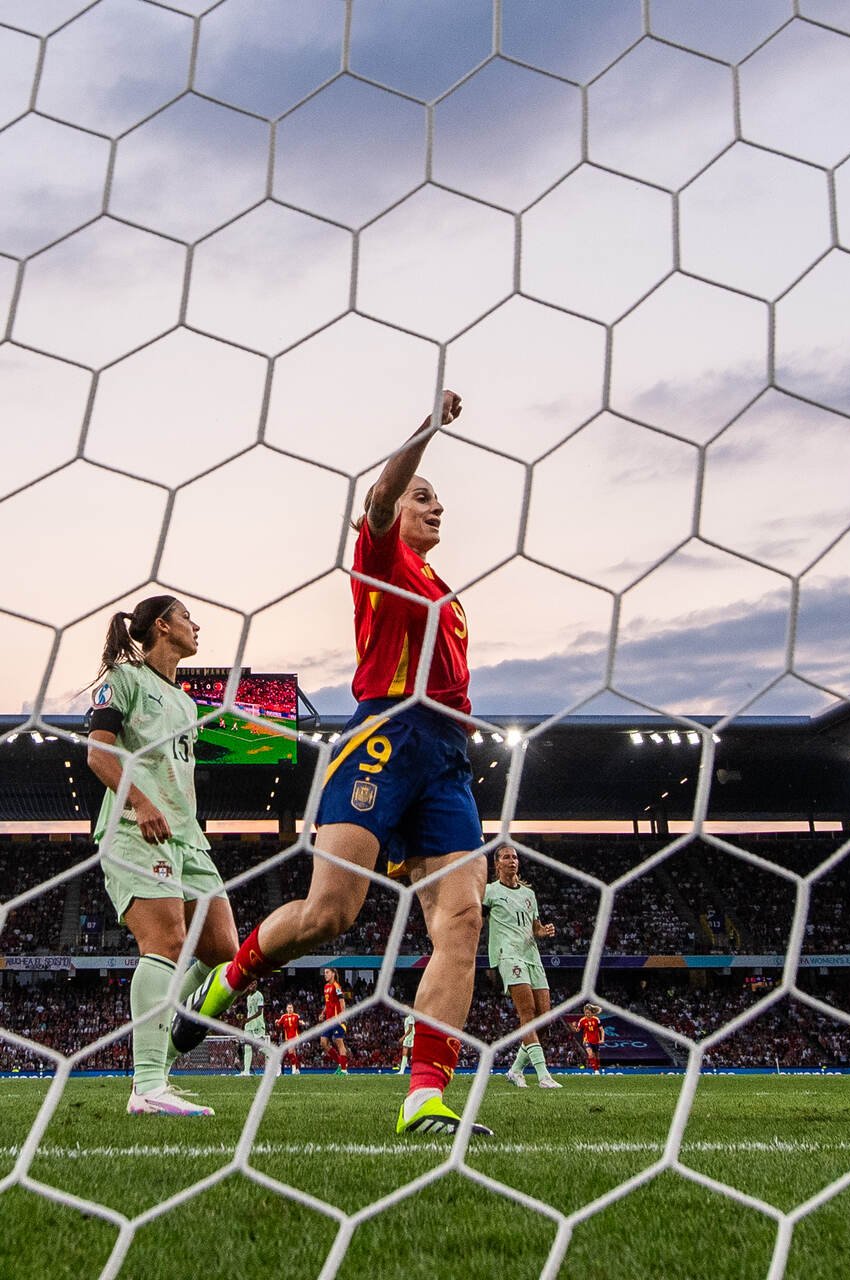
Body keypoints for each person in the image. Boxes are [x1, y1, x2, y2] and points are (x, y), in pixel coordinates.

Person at [173, 390, 493, 1136]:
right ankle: (231, 976)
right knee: (330, 915)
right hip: (383, 737)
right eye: (424, 497)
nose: (436, 505)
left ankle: (425, 1095)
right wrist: (425, 429)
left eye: (439, 499)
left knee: (464, 918)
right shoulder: (379, 558)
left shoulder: (445, 590)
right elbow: (381, 495)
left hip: (447, 753)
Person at [84, 594, 236, 1118]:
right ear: (164, 627)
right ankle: (147, 1085)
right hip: (135, 827)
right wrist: (142, 801)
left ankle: (163, 1050)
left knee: (222, 949)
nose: (197, 626)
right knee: (167, 940)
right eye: (189, 617)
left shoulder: (188, 702)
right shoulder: (124, 679)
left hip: (186, 837)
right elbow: (99, 751)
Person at [483, 847, 560, 1088]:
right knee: (527, 1013)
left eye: (515, 857)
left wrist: (543, 931)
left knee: (544, 1018)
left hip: (532, 956)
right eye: (506, 857)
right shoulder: (489, 892)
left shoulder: (529, 894)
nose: (512, 861)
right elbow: (478, 920)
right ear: (497, 864)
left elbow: (534, 927)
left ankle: (515, 1070)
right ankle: (543, 1075)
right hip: (508, 955)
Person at [319, 968, 350, 1073]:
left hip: (336, 1020)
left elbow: (342, 1002)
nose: (325, 975)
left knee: (339, 1043)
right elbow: (328, 1003)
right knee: (323, 1042)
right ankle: (341, 1064)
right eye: (324, 973)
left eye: (327, 972)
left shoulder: (337, 986)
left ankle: (344, 1070)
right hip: (328, 1020)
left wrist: (342, 1016)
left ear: (333, 974)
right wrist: (323, 1013)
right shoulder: (326, 987)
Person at [238, 988, 266, 1076]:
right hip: (249, 1026)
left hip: (257, 1024)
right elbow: (250, 1012)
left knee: (261, 1048)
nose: (253, 986)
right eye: (251, 983)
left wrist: (248, 1019)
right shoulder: (248, 997)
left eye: (254, 983)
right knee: (247, 1047)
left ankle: (276, 1064)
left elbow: (259, 1012)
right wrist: (246, 1022)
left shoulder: (259, 995)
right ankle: (246, 1071)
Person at [576, 1005, 604, 1074]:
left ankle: (597, 1068)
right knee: (590, 1054)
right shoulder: (582, 1020)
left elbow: (602, 1030)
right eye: (586, 1013)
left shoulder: (596, 1019)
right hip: (587, 1040)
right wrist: (574, 1027)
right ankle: (595, 1070)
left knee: (597, 1056)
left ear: (592, 1012)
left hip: (596, 1040)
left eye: (588, 1013)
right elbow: (577, 1030)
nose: (587, 1014)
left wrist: (602, 1039)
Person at [278, 1003, 303, 1074]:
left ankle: (294, 1069)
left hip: (295, 1037)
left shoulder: (296, 1016)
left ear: (293, 1008)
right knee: (293, 1053)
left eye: (291, 1008)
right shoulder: (283, 1017)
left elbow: (300, 1021)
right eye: (288, 1008)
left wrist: (302, 1023)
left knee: (290, 1051)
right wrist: (276, 1022)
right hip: (287, 1038)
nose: (290, 1009)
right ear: (286, 1009)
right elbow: (278, 1023)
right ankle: (297, 1069)